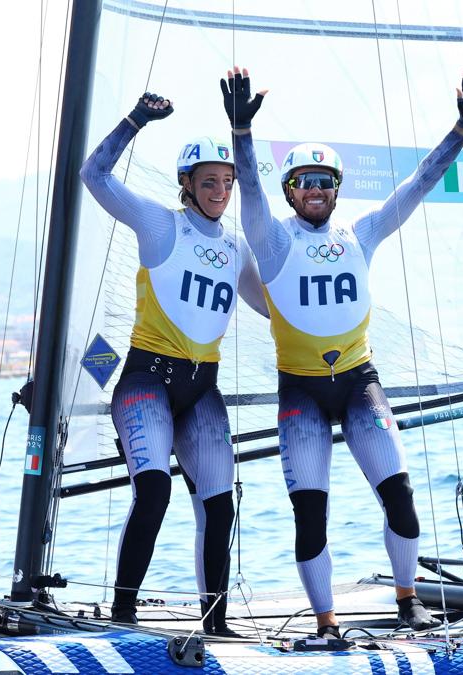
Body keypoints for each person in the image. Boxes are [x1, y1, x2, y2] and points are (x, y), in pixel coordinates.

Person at [220, 67, 463, 635]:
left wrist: (461, 131)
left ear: (336, 189)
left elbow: (417, 184)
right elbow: (248, 189)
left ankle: (407, 599)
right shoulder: (270, 238)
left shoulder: (360, 234)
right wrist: (241, 132)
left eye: (325, 182)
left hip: (361, 384)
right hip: (302, 392)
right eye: (304, 182)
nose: (315, 190)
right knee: (310, 515)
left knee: (401, 495)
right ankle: (325, 622)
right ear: (290, 190)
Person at [80, 92, 269, 636]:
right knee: (156, 491)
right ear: (187, 183)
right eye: (209, 182)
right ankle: (122, 616)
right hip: (146, 383)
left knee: (220, 505)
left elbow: (269, 307)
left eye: (227, 182)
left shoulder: (235, 248)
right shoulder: (161, 225)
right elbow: (94, 175)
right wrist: (136, 119)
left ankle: (216, 624)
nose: (220, 192)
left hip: (200, 390)